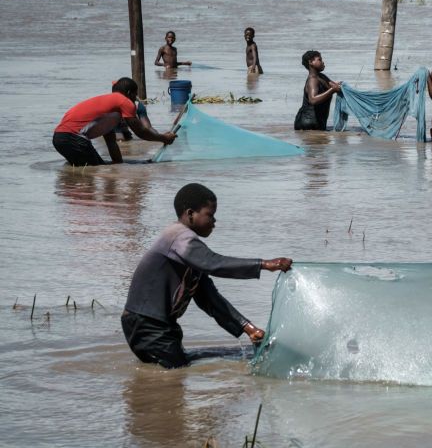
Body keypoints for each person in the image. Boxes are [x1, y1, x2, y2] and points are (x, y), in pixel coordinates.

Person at [121, 183, 293, 369]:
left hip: (155, 325)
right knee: (175, 376)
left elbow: (209, 299)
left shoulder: (188, 254)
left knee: (173, 370)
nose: (214, 221)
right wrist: (265, 264)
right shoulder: (179, 237)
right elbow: (214, 264)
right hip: (147, 324)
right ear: (190, 214)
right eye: (210, 215)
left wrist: (249, 329)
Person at [53, 77, 176, 165]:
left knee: (92, 170)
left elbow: (111, 142)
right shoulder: (124, 101)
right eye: (135, 95)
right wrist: (164, 138)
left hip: (59, 139)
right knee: (96, 170)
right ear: (129, 93)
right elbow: (141, 132)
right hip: (74, 138)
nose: (135, 99)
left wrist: (118, 165)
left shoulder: (109, 108)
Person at [294, 50, 340, 130]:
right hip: (308, 123)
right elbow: (313, 100)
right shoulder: (312, 80)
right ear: (311, 62)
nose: (323, 62)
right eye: (320, 60)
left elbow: (335, 86)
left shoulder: (322, 77)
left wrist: (341, 87)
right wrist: (332, 90)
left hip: (317, 123)